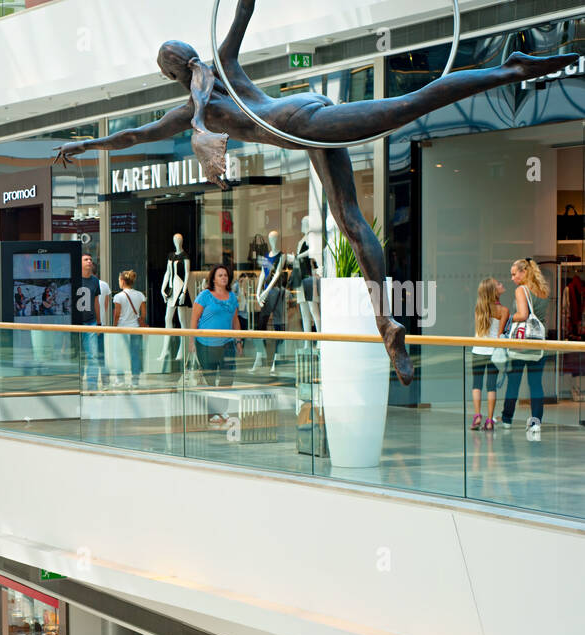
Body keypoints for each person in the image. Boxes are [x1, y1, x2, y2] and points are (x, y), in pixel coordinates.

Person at [54, 1, 578, 385]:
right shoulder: (205, 92)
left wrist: (93, 142)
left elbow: (238, 15)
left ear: (170, 72)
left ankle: (509, 69)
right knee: (350, 218)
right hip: (301, 128)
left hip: (300, 119)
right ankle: (385, 321)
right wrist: (88, 142)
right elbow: (134, 133)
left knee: (405, 109)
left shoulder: (206, 91)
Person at [499, 258, 550, 440]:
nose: (512, 278)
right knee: (535, 384)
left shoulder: (522, 290)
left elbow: (523, 315)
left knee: (514, 382)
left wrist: (509, 318)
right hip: (539, 344)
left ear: (524, 272)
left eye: (514, 274)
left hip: (522, 344)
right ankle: (536, 422)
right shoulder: (543, 291)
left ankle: (507, 419)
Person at [189, 263, 245, 425]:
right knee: (210, 379)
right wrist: (191, 341)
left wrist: (239, 341)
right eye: (220, 275)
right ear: (213, 278)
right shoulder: (205, 296)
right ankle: (212, 413)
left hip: (227, 343)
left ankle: (221, 410)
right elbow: (194, 319)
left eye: (225, 275)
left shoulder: (232, 296)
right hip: (205, 343)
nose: (223, 277)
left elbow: (235, 320)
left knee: (228, 377)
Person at [471, 278, 508, 431]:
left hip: (477, 350)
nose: (502, 284)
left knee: (476, 385)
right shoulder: (503, 311)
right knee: (491, 387)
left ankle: (477, 415)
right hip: (493, 352)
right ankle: (489, 420)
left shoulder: (478, 309)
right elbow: (499, 334)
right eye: (499, 284)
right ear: (494, 291)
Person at [111, 269, 149, 388]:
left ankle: (120, 379)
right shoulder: (140, 295)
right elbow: (143, 314)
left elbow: (117, 314)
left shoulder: (118, 297)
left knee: (119, 355)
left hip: (122, 329)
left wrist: (113, 327)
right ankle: (135, 381)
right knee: (135, 355)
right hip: (135, 329)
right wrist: (139, 319)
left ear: (122, 281)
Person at [75, 253, 107, 389]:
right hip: (76, 323)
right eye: (86, 259)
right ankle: (77, 385)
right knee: (77, 357)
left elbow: (96, 302)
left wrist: (99, 323)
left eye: (90, 260)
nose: (89, 261)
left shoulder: (95, 281)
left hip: (91, 322)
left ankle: (92, 385)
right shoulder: (74, 278)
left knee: (93, 356)